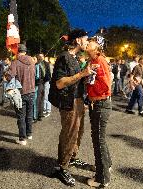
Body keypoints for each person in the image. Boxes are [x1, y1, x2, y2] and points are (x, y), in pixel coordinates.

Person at [49, 28, 93, 186]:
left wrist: (86, 78)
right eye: (86, 39)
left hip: (78, 100)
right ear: (78, 40)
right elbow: (60, 83)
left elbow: (76, 80)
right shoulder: (64, 57)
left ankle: (72, 158)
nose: (87, 42)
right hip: (69, 102)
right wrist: (81, 74)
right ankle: (61, 167)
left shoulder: (75, 58)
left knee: (78, 132)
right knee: (69, 133)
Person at [86, 39, 112, 188]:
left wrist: (90, 83)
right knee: (99, 138)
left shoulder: (99, 61)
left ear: (97, 48)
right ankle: (106, 165)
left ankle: (102, 179)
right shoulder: (94, 60)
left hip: (100, 103)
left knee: (98, 140)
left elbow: (106, 84)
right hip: (97, 103)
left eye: (90, 43)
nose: (87, 44)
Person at [10, 44, 36, 146]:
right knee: (29, 114)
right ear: (25, 51)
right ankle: (29, 134)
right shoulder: (32, 61)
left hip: (21, 92)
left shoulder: (15, 62)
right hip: (32, 91)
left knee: (21, 116)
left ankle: (22, 138)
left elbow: (9, 76)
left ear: (18, 51)